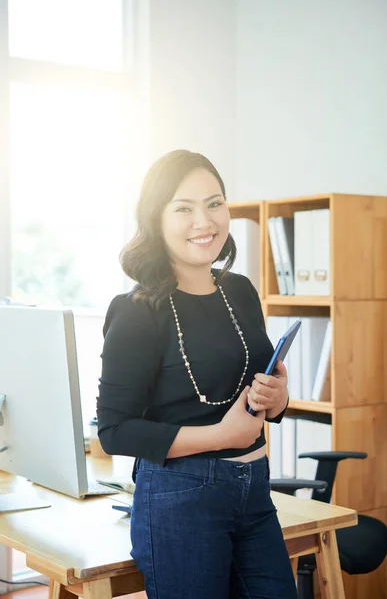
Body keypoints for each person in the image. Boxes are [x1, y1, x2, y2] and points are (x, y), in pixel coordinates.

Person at [96, 149, 297, 599]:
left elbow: (253, 390)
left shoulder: (240, 291)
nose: (204, 222)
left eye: (214, 203)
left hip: (255, 491)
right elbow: (114, 431)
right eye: (183, 208)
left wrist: (278, 399)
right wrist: (221, 437)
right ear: (156, 219)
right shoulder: (136, 311)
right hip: (179, 498)